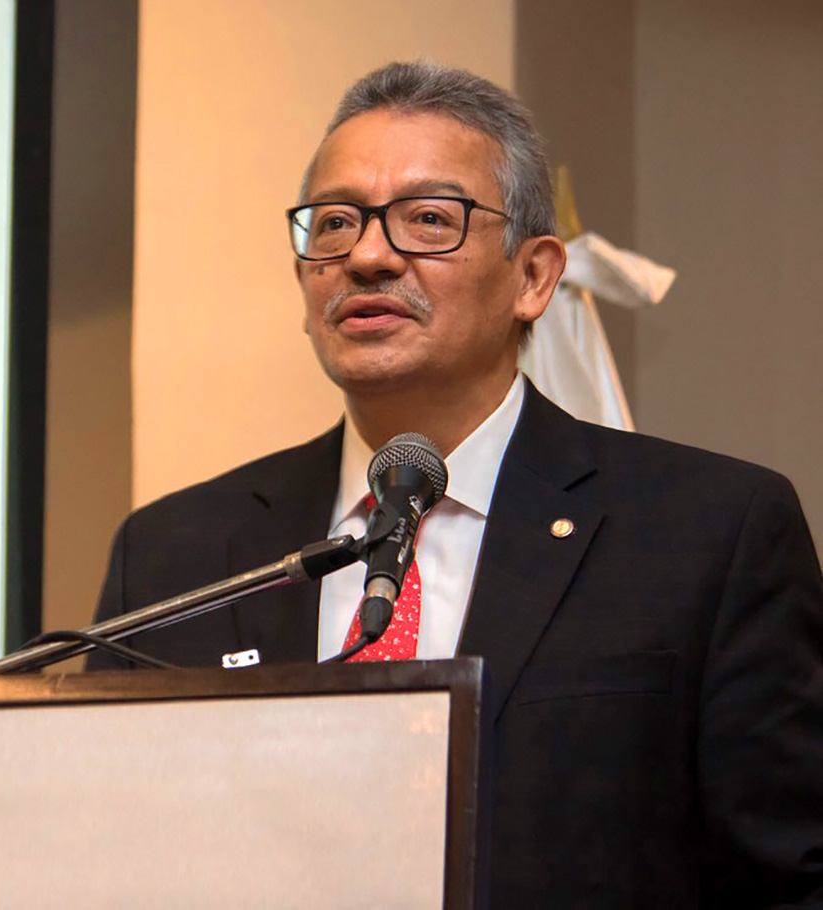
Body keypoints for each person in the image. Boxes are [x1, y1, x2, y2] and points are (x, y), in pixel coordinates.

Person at [87, 61, 823, 907]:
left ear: (534, 277)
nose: (366, 256)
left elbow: (790, 881)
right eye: (334, 225)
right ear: (302, 283)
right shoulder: (175, 552)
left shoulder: (711, 534)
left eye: (429, 219)